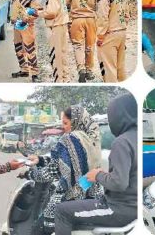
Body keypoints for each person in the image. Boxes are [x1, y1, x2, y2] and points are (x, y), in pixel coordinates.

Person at [54, 93, 137, 234]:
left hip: (118, 207)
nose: (64, 127)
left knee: (60, 211)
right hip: (126, 203)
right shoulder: (134, 137)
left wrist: (98, 175)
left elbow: (119, 182)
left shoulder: (122, 142)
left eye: (66, 123)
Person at [25, 106, 104, 233]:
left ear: (75, 122)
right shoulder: (93, 138)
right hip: (93, 199)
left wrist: (31, 172)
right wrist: (40, 160)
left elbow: (50, 173)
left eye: (66, 123)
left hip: (67, 200)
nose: (63, 127)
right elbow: (65, 164)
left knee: (37, 230)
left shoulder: (68, 140)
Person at [0, 0, 42, 82]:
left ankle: (35, 73)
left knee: (30, 49)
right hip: (17, 24)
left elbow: (36, 13)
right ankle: (24, 70)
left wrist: (26, 18)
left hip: (26, 26)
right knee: (18, 48)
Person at [65, 0, 100, 82]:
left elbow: (65, 2)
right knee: (90, 46)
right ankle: (89, 71)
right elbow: (98, 6)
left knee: (78, 46)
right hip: (91, 20)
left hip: (76, 19)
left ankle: (81, 69)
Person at [96, 0, 129, 83]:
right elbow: (127, 15)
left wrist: (100, 37)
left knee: (109, 68)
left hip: (109, 35)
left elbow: (103, 18)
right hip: (122, 32)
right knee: (121, 68)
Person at [39, 0, 71, 83]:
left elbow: (51, 12)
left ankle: (58, 80)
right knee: (63, 54)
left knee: (56, 56)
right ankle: (65, 79)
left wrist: (38, 13)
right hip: (63, 25)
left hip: (56, 27)